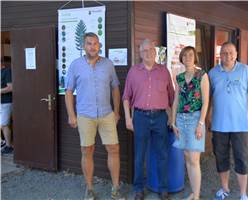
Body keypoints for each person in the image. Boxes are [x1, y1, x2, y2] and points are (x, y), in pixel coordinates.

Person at [65, 32, 124, 200]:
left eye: (96, 43)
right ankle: (90, 189)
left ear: (99, 46)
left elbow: (115, 88)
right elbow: (68, 91)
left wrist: (117, 111)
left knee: (114, 149)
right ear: (84, 46)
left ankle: (115, 188)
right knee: (87, 150)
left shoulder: (108, 64)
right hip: (85, 114)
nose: (93, 46)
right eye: (89, 43)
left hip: (106, 114)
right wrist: (71, 115)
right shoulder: (75, 65)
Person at [208, 42, 248, 200]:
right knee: (221, 158)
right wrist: (207, 118)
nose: (227, 56)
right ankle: (224, 189)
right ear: (220, 55)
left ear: (236, 54)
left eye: (230, 52)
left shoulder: (245, 70)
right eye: (224, 53)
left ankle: (243, 194)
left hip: (240, 125)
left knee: (241, 158)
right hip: (219, 125)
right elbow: (207, 97)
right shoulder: (213, 73)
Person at [123, 39, 174, 200]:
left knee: (162, 154)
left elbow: (172, 97)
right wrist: (128, 118)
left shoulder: (164, 71)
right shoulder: (133, 72)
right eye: (144, 50)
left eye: (151, 49)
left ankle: (163, 189)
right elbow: (126, 97)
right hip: (140, 117)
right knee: (140, 155)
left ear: (155, 51)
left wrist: (172, 117)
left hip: (160, 117)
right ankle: (139, 189)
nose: (148, 53)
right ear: (140, 53)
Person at [171, 46, 209, 200]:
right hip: (181, 119)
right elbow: (176, 100)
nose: (187, 57)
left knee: (194, 158)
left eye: (190, 55)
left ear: (195, 57)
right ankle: (194, 192)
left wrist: (200, 124)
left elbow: (206, 102)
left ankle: (197, 195)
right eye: (184, 55)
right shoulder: (179, 77)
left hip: (195, 119)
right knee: (187, 156)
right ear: (181, 58)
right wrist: (173, 123)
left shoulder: (202, 75)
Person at [1, 57, 13, 154]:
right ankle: (3, 142)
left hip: (6, 102)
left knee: (4, 124)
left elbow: (10, 88)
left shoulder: (7, 71)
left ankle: (9, 146)